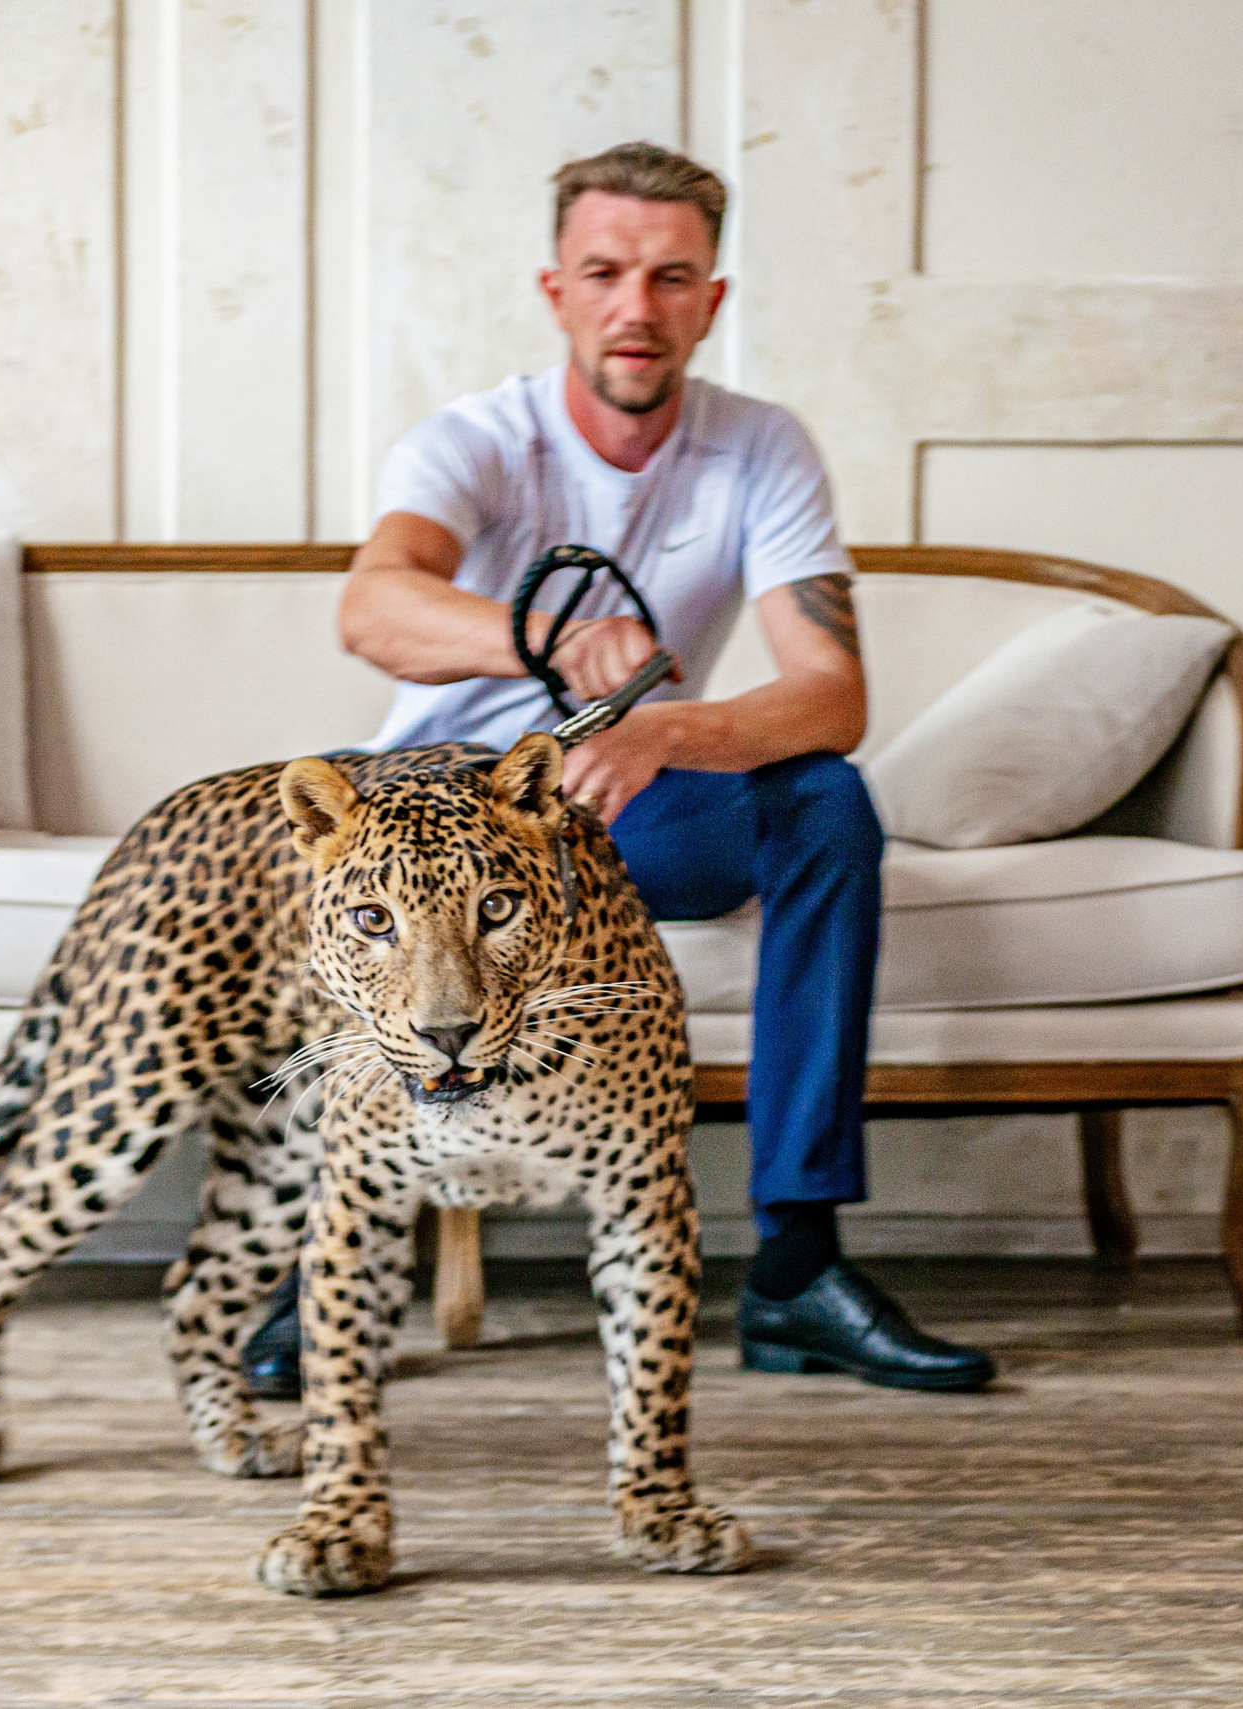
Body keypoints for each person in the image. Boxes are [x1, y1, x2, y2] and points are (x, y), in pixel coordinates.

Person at [243, 141, 993, 1397]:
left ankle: (798, 1266)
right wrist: (542, 637)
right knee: (364, 910)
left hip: (614, 804)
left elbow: (831, 692)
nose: (634, 307)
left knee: (826, 805)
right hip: (445, 815)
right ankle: (303, 1271)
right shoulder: (478, 439)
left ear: (712, 299)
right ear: (556, 292)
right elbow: (373, 606)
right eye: (604, 272)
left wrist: (661, 732)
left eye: (668, 276)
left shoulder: (763, 449)